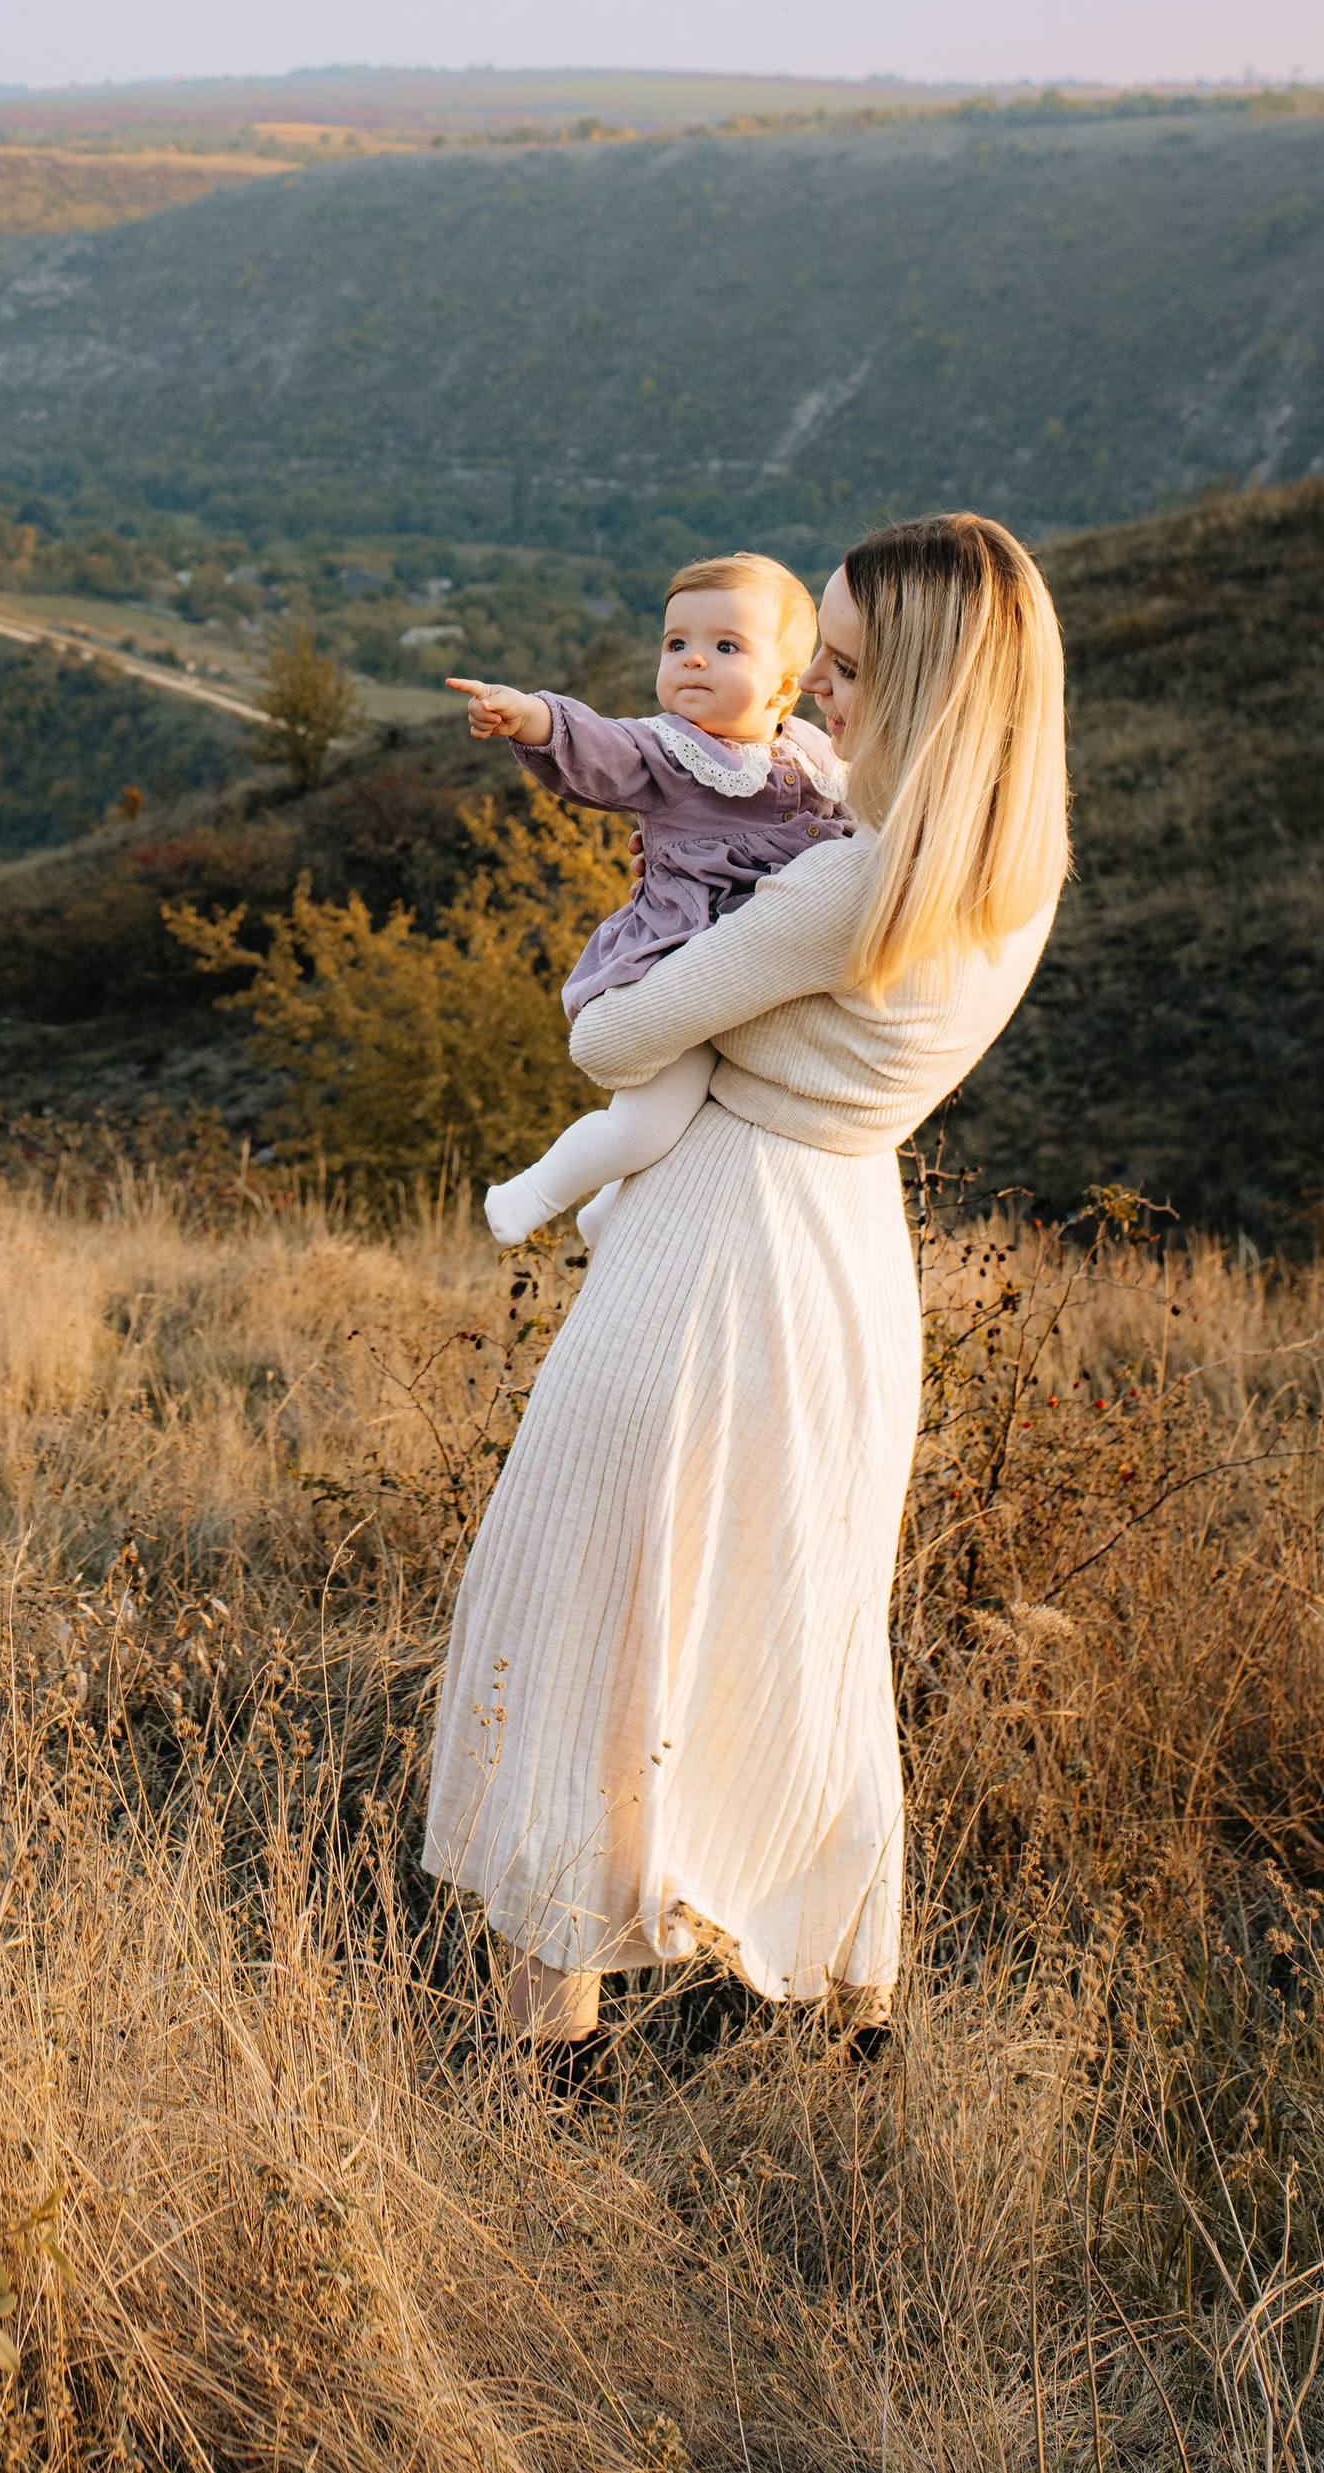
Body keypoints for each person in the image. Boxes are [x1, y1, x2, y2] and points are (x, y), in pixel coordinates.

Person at [421, 512, 1069, 2048]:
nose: (815, 696)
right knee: (797, 1624)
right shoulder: (1007, 867)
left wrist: (683, 992)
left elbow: (607, 1043)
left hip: (713, 1258)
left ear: (921, 681)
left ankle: (548, 2054)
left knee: (603, 1620)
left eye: (842, 667)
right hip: (847, 1256)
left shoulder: (846, 889)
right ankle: (845, 2004)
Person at [450, 554, 851, 1249]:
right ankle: (531, 1192)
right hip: (682, 957)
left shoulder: (812, 751)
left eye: (725, 646)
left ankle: (608, 1210)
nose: (693, 660)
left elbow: (856, 817)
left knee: (708, 1110)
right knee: (649, 1118)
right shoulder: (671, 750)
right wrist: (528, 715)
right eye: (676, 644)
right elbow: (602, 745)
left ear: (786, 687)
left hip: (766, 968)